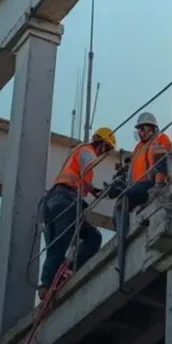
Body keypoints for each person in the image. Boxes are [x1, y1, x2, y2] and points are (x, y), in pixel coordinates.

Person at [37, 126, 118, 299]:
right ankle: (55, 279)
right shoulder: (87, 151)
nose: (106, 153)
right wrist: (95, 189)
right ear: (102, 144)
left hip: (53, 201)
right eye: (108, 148)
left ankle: (50, 280)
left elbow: (80, 176)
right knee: (67, 243)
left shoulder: (78, 152)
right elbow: (86, 167)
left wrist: (93, 190)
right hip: (65, 200)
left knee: (57, 244)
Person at [124, 112, 171, 209]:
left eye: (147, 129)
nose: (144, 133)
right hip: (139, 186)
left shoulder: (160, 138)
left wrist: (159, 180)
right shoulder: (138, 149)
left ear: (154, 129)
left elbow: (166, 155)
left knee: (128, 196)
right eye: (141, 129)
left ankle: (159, 186)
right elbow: (132, 172)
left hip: (154, 183)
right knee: (124, 199)